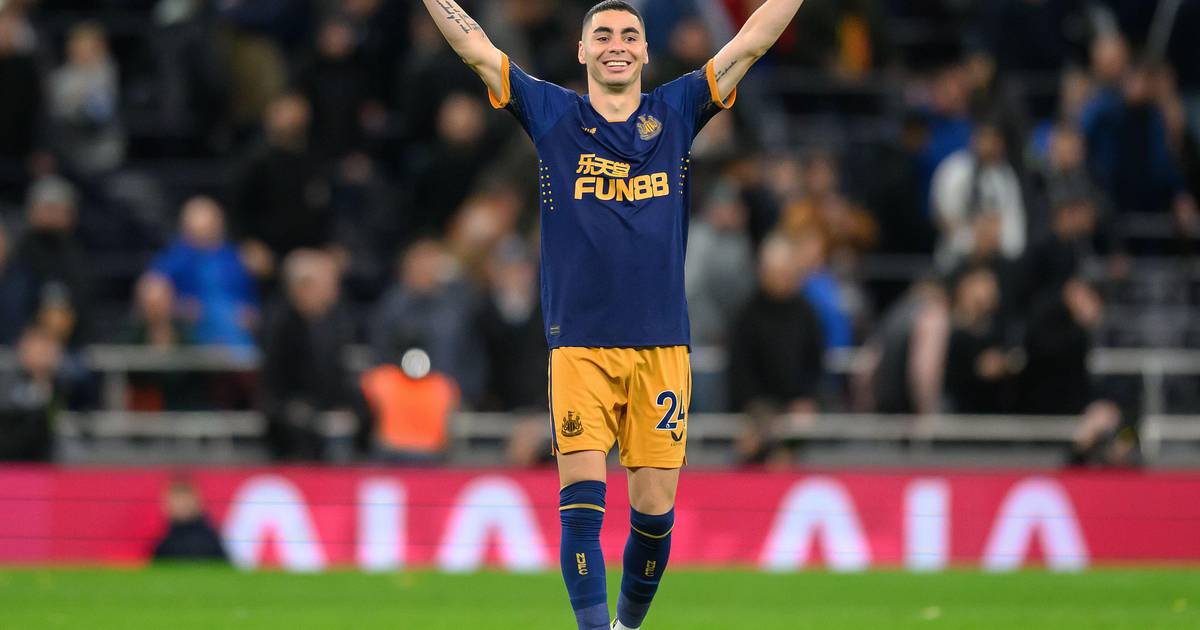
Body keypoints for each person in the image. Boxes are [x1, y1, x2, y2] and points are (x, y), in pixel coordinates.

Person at [420, 2, 812, 627]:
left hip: (662, 346)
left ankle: (627, 624)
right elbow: (475, 49)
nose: (616, 45)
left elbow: (750, 42)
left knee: (654, 513)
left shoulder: (677, 110)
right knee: (581, 508)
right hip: (579, 346)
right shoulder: (553, 114)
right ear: (582, 52)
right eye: (602, 35)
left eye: (630, 35)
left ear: (646, 51)